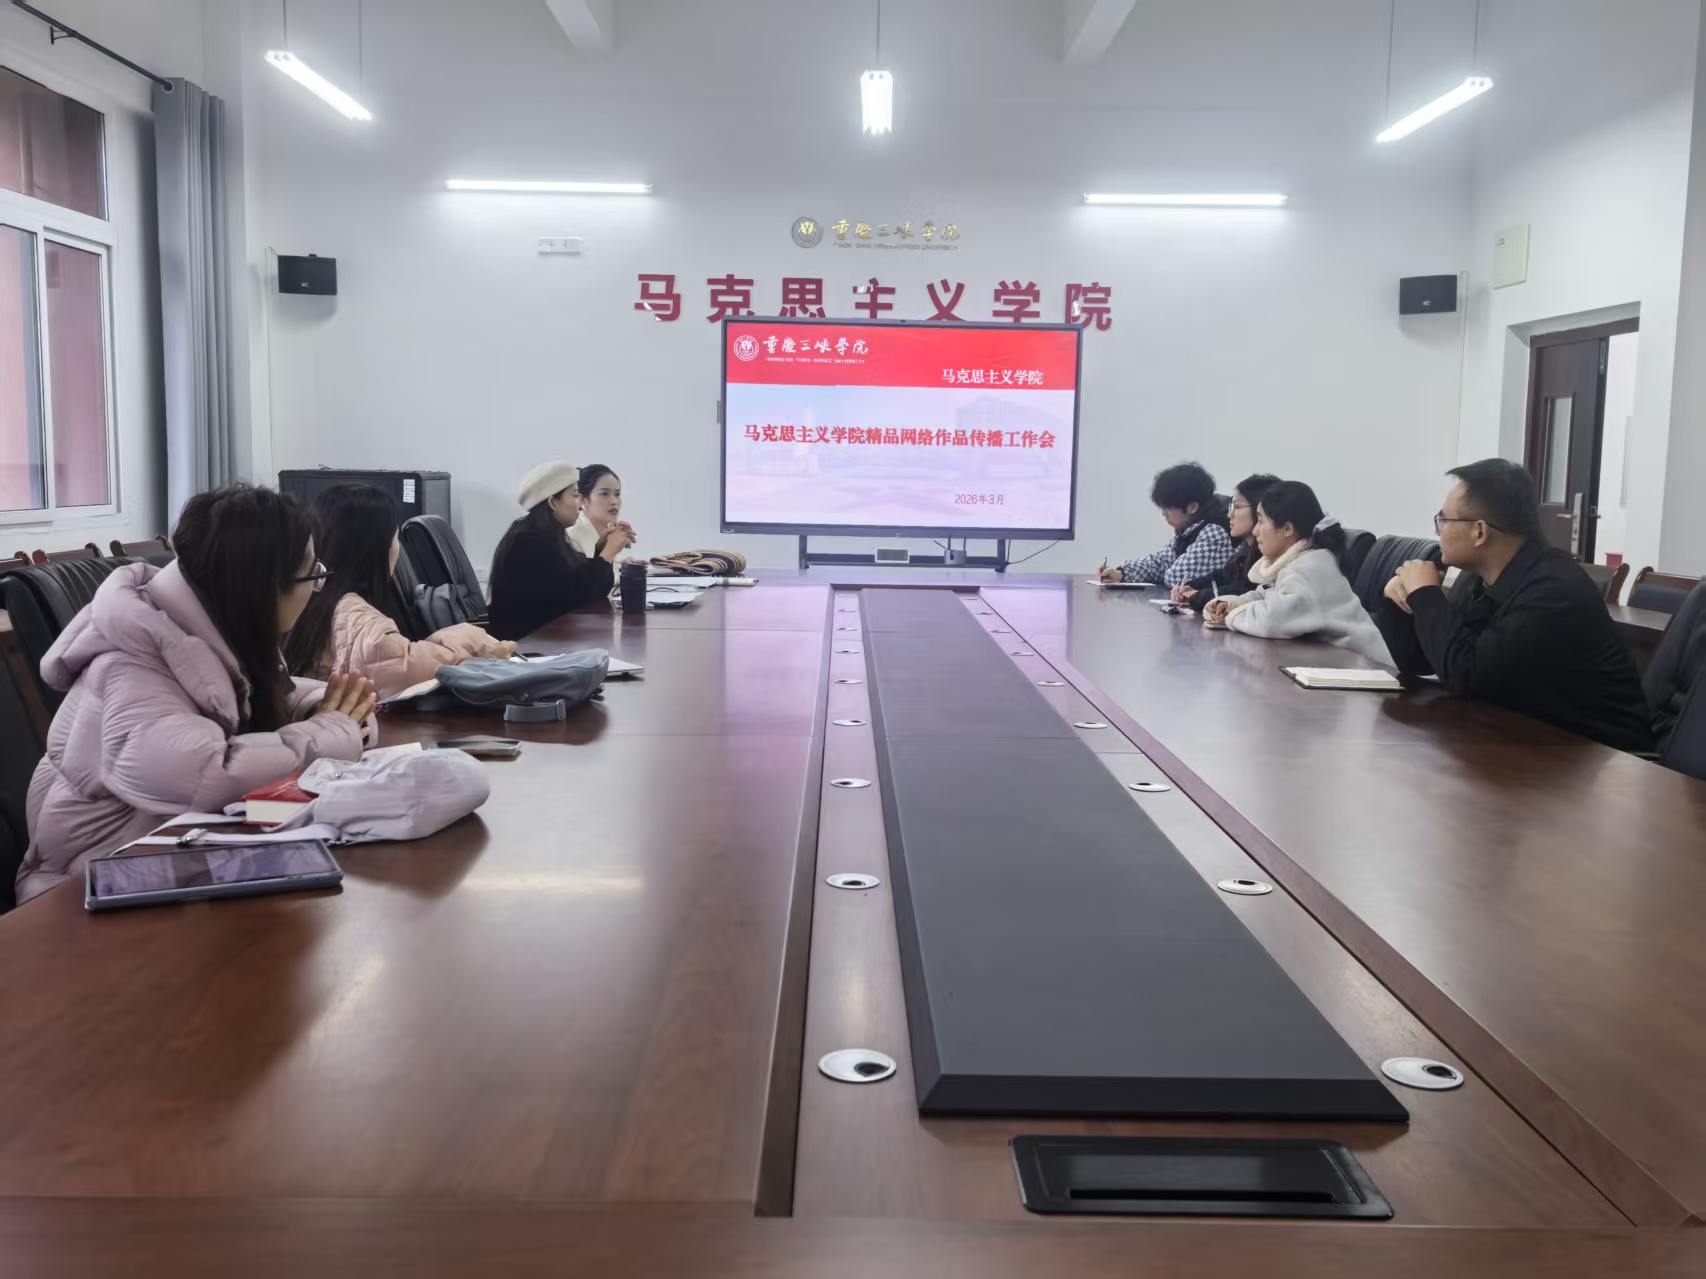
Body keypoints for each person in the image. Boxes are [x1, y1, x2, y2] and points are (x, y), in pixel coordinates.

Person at [16, 485, 375, 904]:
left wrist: (320, 709)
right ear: (265, 586)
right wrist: (332, 731)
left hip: (175, 862)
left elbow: (253, 700)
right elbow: (208, 772)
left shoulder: (208, 628)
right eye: (313, 575)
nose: (317, 589)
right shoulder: (127, 669)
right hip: (82, 893)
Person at [1374, 459, 1653, 752]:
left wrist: (1426, 595)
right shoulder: (1478, 578)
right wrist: (1401, 603)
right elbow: (1425, 661)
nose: (1437, 531)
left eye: (1443, 520)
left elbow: (1467, 675)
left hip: (1599, 756)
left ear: (1479, 532)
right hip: (1527, 738)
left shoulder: (1553, 590)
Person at [283, 483, 514, 698]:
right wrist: (474, 641)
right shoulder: (353, 612)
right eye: (395, 537)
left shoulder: (310, 598)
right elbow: (403, 668)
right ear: (375, 549)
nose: (399, 548)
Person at [1204, 480, 1393, 666]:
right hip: (1336, 667)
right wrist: (1230, 604)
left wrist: (1230, 616)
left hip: (1366, 673)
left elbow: (1272, 619)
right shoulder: (1301, 562)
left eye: (1260, 521)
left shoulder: (1312, 568)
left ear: (1287, 529)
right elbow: (1266, 594)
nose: (1255, 531)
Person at [487, 461, 638, 641]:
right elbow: (578, 593)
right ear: (553, 502)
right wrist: (609, 552)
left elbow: (578, 577)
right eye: (575, 496)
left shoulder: (546, 533)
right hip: (528, 645)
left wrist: (602, 548)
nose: (580, 505)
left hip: (546, 638)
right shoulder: (529, 540)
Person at [1097, 461, 1235, 588]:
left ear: (1192, 507)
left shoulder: (1215, 532)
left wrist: (1165, 571)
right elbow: (1160, 564)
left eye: (1168, 508)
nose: (1163, 514)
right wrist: (1121, 573)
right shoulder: (1191, 528)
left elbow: (1176, 578)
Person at [1172, 473, 1281, 611]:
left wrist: (1198, 596)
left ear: (1259, 509)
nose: (1230, 514)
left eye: (1237, 507)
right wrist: (1191, 586)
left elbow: (1245, 592)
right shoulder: (1245, 550)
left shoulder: (1269, 554)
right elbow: (1223, 575)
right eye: (1231, 507)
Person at [568, 464, 637, 561]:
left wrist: (622, 566)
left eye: (617, 494)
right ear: (582, 500)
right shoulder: (572, 538)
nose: (614, 501)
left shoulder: (608, 533)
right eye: (604, 494)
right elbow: (589, 570)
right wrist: (611, 550)